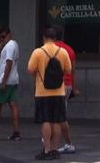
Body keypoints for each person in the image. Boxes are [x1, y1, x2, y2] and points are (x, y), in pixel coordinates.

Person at [27, 27, 72, 161]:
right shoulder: (63, 52)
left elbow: (30, 69)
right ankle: (55, 150)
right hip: (59, 92)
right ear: (55, 38)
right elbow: (68, 70)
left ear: (44, 38)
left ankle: (46, 150)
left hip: (42, 92)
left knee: (45, 120)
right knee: (56, 121)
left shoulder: (38, 52)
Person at [54, 29, 78, 154]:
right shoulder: (69, 50)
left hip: (56, 86)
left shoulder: (51, 50)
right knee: (59, 114)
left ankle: (66, 143)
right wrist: (74, 88)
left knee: (59, 116)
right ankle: (57, 142)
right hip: (67, 85)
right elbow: (73, 71)